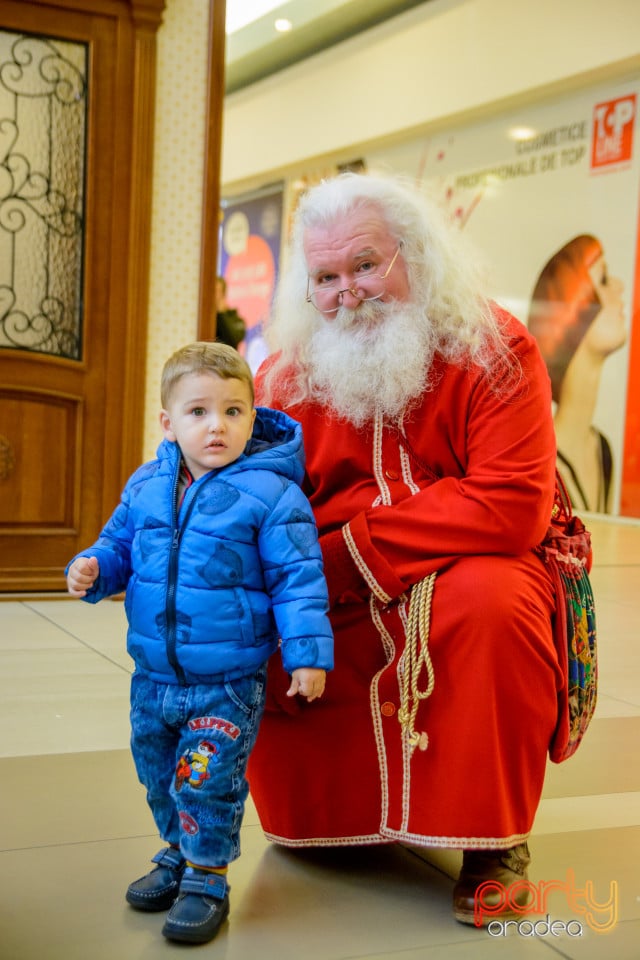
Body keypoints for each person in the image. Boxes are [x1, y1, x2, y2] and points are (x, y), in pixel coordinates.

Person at [246, 171, 566, 925]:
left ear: (413, 254)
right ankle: (334, 816)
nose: (348, 292)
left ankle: (493, 842)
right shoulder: (283, 377)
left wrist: (351, 551)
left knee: (492, 604)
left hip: (472, 564)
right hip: (326, 581)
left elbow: (513, 502)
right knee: (249, 610)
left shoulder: (494, 348)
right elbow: (251, 504)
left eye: (365, 264)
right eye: (325, 277)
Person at [65, 342, 333, 945]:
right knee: (157, 770)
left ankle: (208, 875)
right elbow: (119, 547)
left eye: (234, 411)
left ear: (252, 415)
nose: (217, 425)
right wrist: (93, 568)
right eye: (199, 412)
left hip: (227, 680)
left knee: (205, 778)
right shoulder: (146, 485)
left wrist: (307, 655)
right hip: (154, 674)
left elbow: (298, 579)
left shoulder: (272, 493)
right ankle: (177, 850)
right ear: (168, 422)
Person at [528, 235, 627, 513]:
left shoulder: (602, 449)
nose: (620, 288)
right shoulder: (545, 464)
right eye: (604, 280)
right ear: (575, 307)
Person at [215, 275, 247, 349]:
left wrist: (221, 313)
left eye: (217, 290)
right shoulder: (207, 319)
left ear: (223, 294)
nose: (214, 294)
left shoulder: (236, 319)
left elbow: (233, 340)